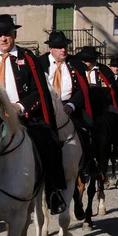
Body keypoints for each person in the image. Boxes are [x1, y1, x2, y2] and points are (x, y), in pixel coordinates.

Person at [0, 14, 66, 215]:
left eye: (7, 34)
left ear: (15, 34)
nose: (3, 38)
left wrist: (20, 107)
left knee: (50, 142)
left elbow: (39, 91)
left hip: (23, 118)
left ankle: (53, 191)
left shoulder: (29, 60)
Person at [39, 31, 97, 174]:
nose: (63, 50)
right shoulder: (39, 63)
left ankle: (88, 161)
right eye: (58, 47)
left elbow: (82, 89)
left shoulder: (75, 63)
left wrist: (71, 105)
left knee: (88, 126)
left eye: (64, 46)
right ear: (50, 49)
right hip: (46, 107)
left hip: (69, 106)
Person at [76, 47, 118, 151]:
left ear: (93, 60)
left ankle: (117, 146)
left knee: (116, 117)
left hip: (102, 105)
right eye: (82, 59)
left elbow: (112, 91)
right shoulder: (78, 70)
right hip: (82, 105)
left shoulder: (104, 70)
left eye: (86, 60)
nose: (83, 62)